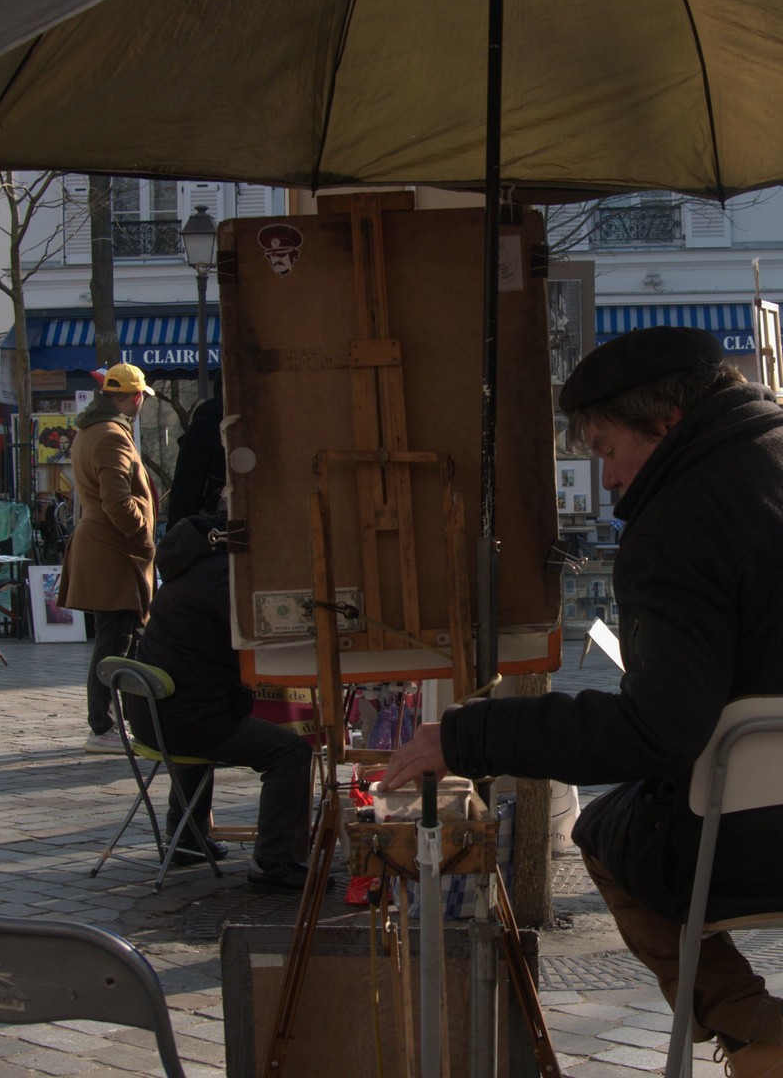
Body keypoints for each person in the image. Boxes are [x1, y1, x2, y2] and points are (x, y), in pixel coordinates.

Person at [379, 326, 783, 1077]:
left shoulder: (680, 522)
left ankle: (755, 1029)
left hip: (760, 835)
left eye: (606, 448)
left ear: (665, 423)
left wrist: (469, 736)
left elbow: (658, 730)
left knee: (604, 831)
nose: (609, 477)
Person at [128, 514, 315, 889]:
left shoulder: (184, 570)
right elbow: (256, 634)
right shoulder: (218, 576)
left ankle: (186, 839)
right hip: (187, 721)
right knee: (291, 752)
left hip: (154, 717)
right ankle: (273, 861)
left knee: (196, 724)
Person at [59, 362, 157, 754]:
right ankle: (103, 727)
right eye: (142, 396)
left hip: (107, 547)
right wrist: (142, 535)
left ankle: (113, 722)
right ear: (135, 397)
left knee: (116, 640)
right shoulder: (110, 435)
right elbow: (117, 501)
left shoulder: (93, 429)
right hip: (113, 550)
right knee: (115, 643)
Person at [166, 376, 226, 529]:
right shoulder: (269, 424)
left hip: (212, 529)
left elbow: (185, 490)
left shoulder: (205, 426)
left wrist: (176, 533)